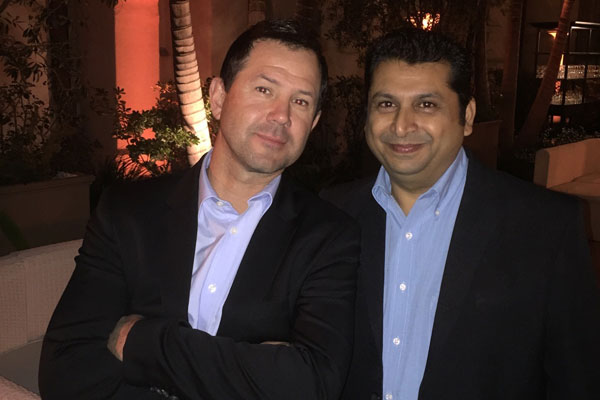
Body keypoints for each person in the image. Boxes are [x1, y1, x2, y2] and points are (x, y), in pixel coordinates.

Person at [39, 19, 359, 400]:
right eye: (264, 89)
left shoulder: (329, 236)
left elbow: (310, 385)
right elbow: (65, 369)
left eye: (301, 102)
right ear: (219, 97)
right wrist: (250, 369)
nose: (281, 115)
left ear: (314, 123)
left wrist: (142, 342)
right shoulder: (127, 213)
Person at [324, 28, 600, 400]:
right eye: (386, 104)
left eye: (426, 104)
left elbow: (578, 380)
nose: (401, 125)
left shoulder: (546, 227)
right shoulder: (332, 213)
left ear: (466, 116)